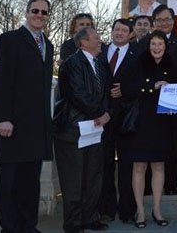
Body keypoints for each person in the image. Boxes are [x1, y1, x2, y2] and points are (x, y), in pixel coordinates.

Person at [0, 0, 54, 233]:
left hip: (37, 127)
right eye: (35, 11)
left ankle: (28, 226)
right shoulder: (9, 40)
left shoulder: (48, 44)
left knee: (30, 181)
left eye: (44, 12)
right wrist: (3, 118)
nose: (39, 15)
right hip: (13, 125)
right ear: (26, 13)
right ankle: (10, 228)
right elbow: (0, 81)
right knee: (9, 182)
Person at [54, 27, 112, 233]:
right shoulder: (71, 64)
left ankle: (90, 218)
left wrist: (105, 113)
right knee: (73, 178)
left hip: (95, 129)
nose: (101, 41)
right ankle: (73, 223)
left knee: (93, 175)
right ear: (83, 42)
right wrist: (99, 114)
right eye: (96, 38)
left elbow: (105, 92)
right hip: (73, 128)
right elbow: (77, 93)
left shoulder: (99, 64)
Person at [121, 30, 177, 228]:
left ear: (165, 46)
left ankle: (157, 209)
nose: (156, 48)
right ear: (148, 45)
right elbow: (126, 89)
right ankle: (140, 211)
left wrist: (170, 86)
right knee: (139, 166)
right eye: (153, 44)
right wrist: (153, 87)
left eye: (160, 44)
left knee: (159, 166)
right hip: (141, 122)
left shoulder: (172, 64)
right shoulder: (137, 62)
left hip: (162, 123)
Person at [98, 19, 139, 224]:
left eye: (124, 30)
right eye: (116, 29)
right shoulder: (100, 51)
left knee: (127, 166)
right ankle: (106, 209)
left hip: (127, 118)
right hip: (102, 117)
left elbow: (142, 82)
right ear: (111, 31)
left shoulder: (138, 53)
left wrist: (125, 90)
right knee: (104, 165)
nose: (120, 33)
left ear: (131, 34)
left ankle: (127, 210)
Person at [151, 4, 177, 194]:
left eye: (167, 19)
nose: (164, 23)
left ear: (173, 21)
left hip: (175, 103)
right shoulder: (145, 43)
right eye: (160, 20)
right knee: (152, 144)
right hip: (150, 104)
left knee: (173, 144)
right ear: (154, 23)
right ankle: (150, 186)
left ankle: (171, 185)